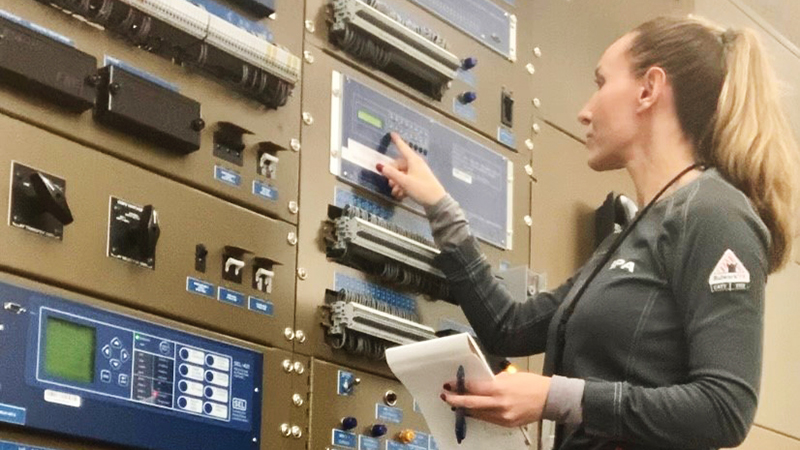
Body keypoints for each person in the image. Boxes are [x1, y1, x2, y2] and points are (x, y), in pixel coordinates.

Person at [376, 16, 800, 450]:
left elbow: (724, 409)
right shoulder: (633, 233)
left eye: (601, 82)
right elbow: (510, 327)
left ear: (649, 89)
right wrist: (439, 206)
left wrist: (551, 397)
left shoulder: (715, 213)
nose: (585, 110)